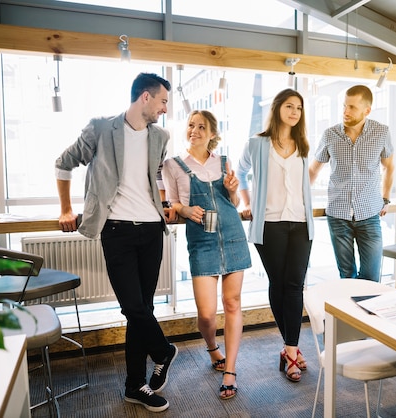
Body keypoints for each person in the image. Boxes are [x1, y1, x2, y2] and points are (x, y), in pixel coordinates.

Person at [55, 72, 178, 413]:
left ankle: (134, 386)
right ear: (146, 98)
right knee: (133, 307)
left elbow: (152, 177)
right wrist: (66, 208)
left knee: (142, 311)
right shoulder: (100, 128)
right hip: (117, 232)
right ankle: (164, 351)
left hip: (152, 231)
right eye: (163, 101)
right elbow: (64, 163)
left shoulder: (161, 136)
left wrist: (165, 204)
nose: (165, 108)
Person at [160, 110, 250, 400]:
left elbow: (233, 202)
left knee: (233, 303)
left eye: (201, 127)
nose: (194, 130)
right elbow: (171, 202)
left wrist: (233, 191)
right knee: (208, 314)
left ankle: (231, 371)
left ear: (212, 133)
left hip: (233, 235)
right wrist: (184, 210)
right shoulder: (173, 165)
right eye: (190, 125)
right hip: (202, 240)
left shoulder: (224, 162)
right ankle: (212, 347)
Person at [237, 88, 314, 383]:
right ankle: (291, 348)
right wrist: (247, 202)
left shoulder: (303, 143)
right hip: (269, 224)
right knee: (279, 284)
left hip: (301, 223)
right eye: (290, 106)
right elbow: (240, 172)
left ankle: (290, 349)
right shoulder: (257, 144)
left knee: (294, 286)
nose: (294, 112)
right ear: (278, 108)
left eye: (299, 107)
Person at [309, 84, 394, 283]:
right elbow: (313, 170)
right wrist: (299, 198)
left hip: (370, 215)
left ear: (367, 110)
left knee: (371, 279)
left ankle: (367, 313)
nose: (345, 111)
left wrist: (386, 198)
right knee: (346, 278)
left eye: (352, 107)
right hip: (338, 216)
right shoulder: (330, 134)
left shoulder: (381, 132)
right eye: (344, 106)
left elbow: (389, 167)